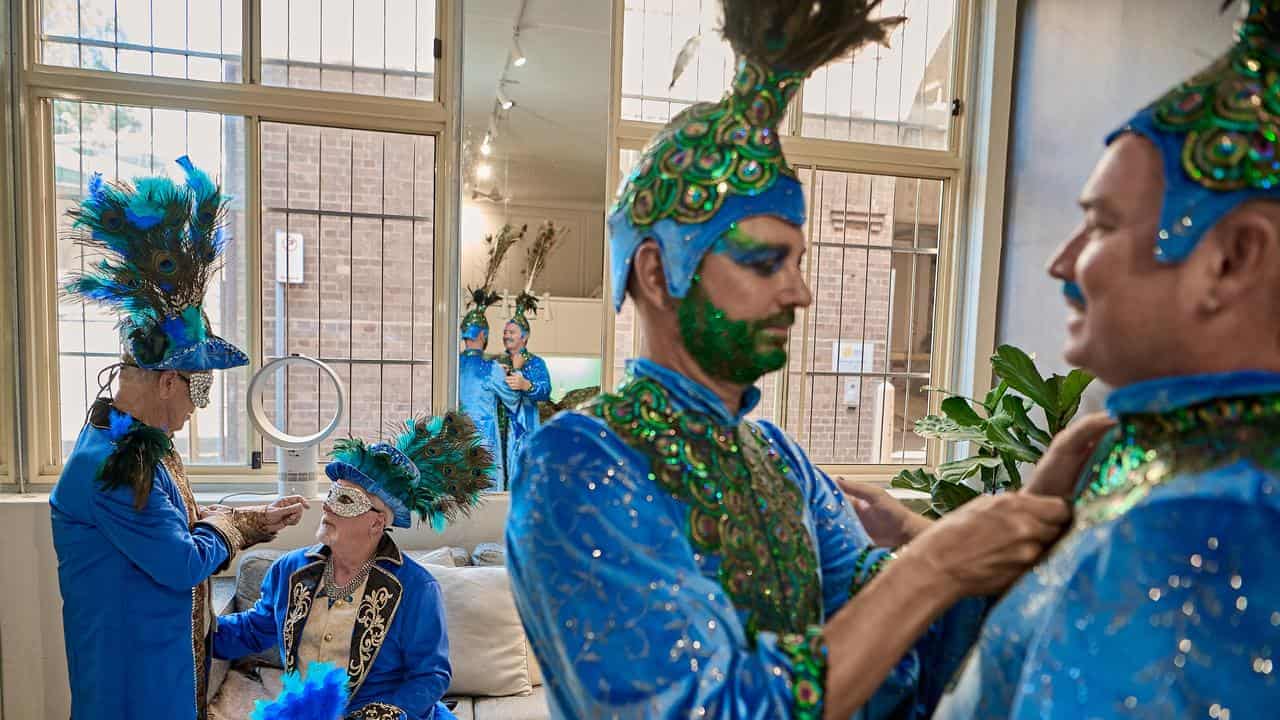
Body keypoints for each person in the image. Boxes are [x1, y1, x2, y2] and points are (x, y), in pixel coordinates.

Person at [503, 2, 1085, 718]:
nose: (801, 291)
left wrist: (1018, 534)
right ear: (656, 274)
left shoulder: (777, 457)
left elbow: (909, 661)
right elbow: (705, 709)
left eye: (799, 261)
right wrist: (934, 566)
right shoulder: (580, 461)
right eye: (764, 262)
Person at [935, 1, 1280, 717]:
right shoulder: (1164, 461)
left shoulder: (1203, 529)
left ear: (1232, 259)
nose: (1063, 263)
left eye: (1100, 224)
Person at [50, 157, 307, 720]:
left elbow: (173, 523)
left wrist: (253, 520)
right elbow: (181, 561)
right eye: (198, 393)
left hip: (163, 669)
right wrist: (237, 525)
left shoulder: (138, 445)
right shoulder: (114, 465)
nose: (195, 411)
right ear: (169, 382)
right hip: (132, 685)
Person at [213, 412, 494, 720]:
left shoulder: (415, 587)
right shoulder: (289, 570)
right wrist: (191, 622)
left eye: (346, 500)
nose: (329, 505)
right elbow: (253, 631)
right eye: (332, 493)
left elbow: (429, 676)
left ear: (376, 523)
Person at [496, 292, 551, 485]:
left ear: (524, 337)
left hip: (525, 429)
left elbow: (545, 391)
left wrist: (527, 385)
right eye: (505, 332)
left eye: (511, 332)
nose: (506, 336)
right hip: (499, 428)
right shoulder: (497, 362)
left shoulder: (536, 363)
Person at [459, 288, 512, 489]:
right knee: (486, 490)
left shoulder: (452, 365)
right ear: (484, 335)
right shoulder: (492, 368)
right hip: (483, 437)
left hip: (457, 436)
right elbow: (512, 399)